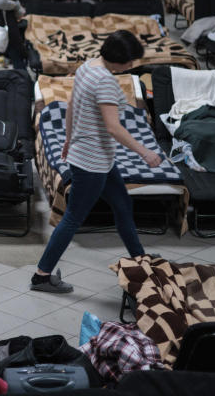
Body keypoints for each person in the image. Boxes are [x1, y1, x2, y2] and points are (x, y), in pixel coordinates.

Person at [31, 31, 158, 294]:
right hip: (92, 163)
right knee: (73, 218)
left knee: (122, 205)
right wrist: (144, 152)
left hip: (98, 157)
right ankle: (41, 276)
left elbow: (71, 106)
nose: (133, 65)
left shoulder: (88, 67)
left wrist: (68, 139)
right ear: (121, 61)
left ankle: (140, 259)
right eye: (132, 61)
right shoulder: (105, 82)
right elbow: (114, 127)